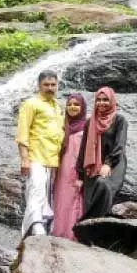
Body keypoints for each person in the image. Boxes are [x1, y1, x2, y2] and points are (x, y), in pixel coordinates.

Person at [16, 70, 65, 237]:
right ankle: (34, 228)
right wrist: (24, 158)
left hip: (53, 159)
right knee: (36, 191)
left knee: (47, 196)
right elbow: (23, 132)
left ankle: (42, 226)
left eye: (53, 85)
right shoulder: (31, 103)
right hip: (36, 156)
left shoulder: (57, 106)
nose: (50, 88)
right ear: (39, 85)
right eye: (46, 85)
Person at [76, 87, 128, 219]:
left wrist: (108, 164)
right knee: (89, 198)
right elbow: (83, 149)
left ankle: (99, 224)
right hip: (92, 165)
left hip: (114, 163)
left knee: (103, 185)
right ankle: (88, 227)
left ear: (112, 101)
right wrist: (80, 175)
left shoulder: (120, 120)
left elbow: (120, 145)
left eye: (105, 100)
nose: (101, 103)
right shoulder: (90, 122)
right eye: (98, 100)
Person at [50, 93, 87, 240]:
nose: (72, 107)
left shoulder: (86, 127)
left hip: (76, 170)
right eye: (70, 104)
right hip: (61, 170)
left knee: (74, 200)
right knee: (60, 200)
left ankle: (72, 235)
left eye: (76, 104)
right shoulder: (61, 125)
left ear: (82, 107)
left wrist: (81, 174)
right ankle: (58, 232)